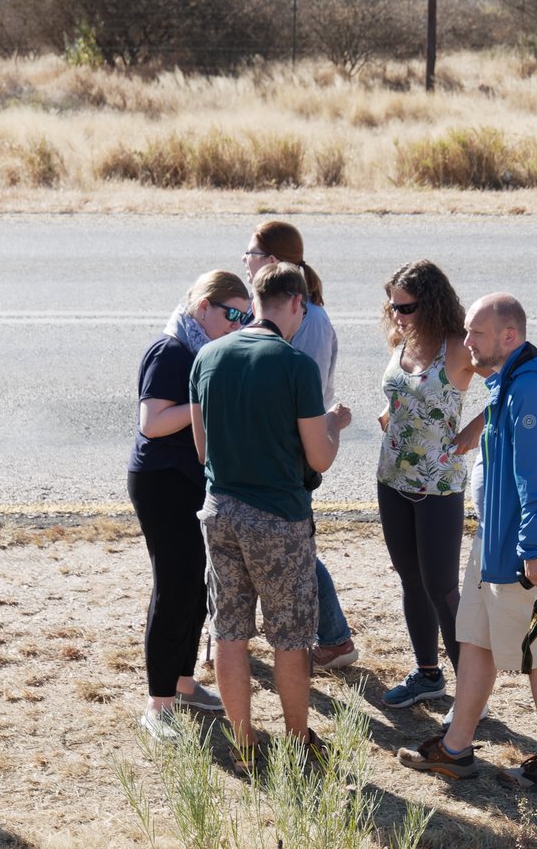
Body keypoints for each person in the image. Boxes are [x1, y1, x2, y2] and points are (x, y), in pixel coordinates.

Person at [397, 293, 537, 790]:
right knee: (476, 642)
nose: (466, 344)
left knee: (536, 653)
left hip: (519, 547)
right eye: (466, 332)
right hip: (495, 537)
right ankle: (455, 749)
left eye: (477, 334)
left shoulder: (530, 388)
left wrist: (533, 549)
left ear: (509, 337)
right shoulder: (513, 378)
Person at [190, 262, 352, 772]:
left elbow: (201, 448)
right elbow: (319, 456)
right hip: (278, 517)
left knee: (230, 631)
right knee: (290, 636)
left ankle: (245, 743)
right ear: (297, 304)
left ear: (256, 302)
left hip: (220, 511)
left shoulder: (208, 356)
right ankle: (298, 741)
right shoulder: (296, 366)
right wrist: (336, 424)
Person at [128, 270, 252, 740]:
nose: (239, 324)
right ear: (203, 307)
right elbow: (153, 423)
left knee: (196, 586)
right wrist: (204, 404)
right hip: (161, 481)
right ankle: (157, 705)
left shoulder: (203, 350)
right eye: (233, 313)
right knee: (173, 587)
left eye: (247, 315)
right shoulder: (172, 350)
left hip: (189, 479)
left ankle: (182, 684)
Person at [242, 221, 357, 669]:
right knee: (293, 544)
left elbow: (299, 392)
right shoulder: (300, 312)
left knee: (298, 547)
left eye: (251, 253)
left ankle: (334, 638)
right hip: (286, 445)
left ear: (272, 262)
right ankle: (333, 637)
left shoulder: (307, 319)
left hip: (290, 448)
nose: (245, 261)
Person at [376, 259, 487, 709]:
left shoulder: (458, 348)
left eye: (406, 307)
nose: (397, 314)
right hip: (392, 477)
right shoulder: (404, 337)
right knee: (410, 580)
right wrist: (392, 414)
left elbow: (513, 384)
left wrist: (477, 427)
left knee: (442, 588)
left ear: (432, 302)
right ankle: (427, 675)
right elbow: (406, 391)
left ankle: (471, 695)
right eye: (393, 306)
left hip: (439, 485)